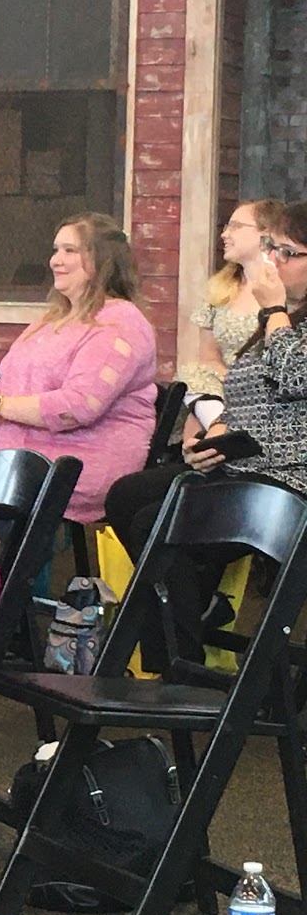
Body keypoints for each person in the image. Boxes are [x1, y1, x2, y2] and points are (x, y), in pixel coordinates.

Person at [105, 200, 307, 668]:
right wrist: (215, 435)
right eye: (272, 249)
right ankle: (194, 616)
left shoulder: (281, 317)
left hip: (290, 480)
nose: (274, 262)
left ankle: (179, 666)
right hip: (246, 462)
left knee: (156, 522)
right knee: (128, 496)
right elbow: (249, 392)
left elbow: (296, 377)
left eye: (288, 252)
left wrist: (273, 309)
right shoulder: (286, 318)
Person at [0, 212, 157, 523]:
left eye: (70, 251)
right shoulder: (52, 319)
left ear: (103, 259)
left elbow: (77, 407)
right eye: (56, 250)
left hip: (73, 465)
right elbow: (9, 391)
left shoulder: (120, 323)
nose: (56, 260)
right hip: (16, 455)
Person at [177, 198, 287, 397]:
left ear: (266, 233)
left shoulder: (287, 290)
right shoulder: (218, 290)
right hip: (223, 387)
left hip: (269, 393)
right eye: (227, 226)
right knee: (191, 378)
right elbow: (209, 357)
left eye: (235, 227)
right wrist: (233, 386)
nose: (224, 234)